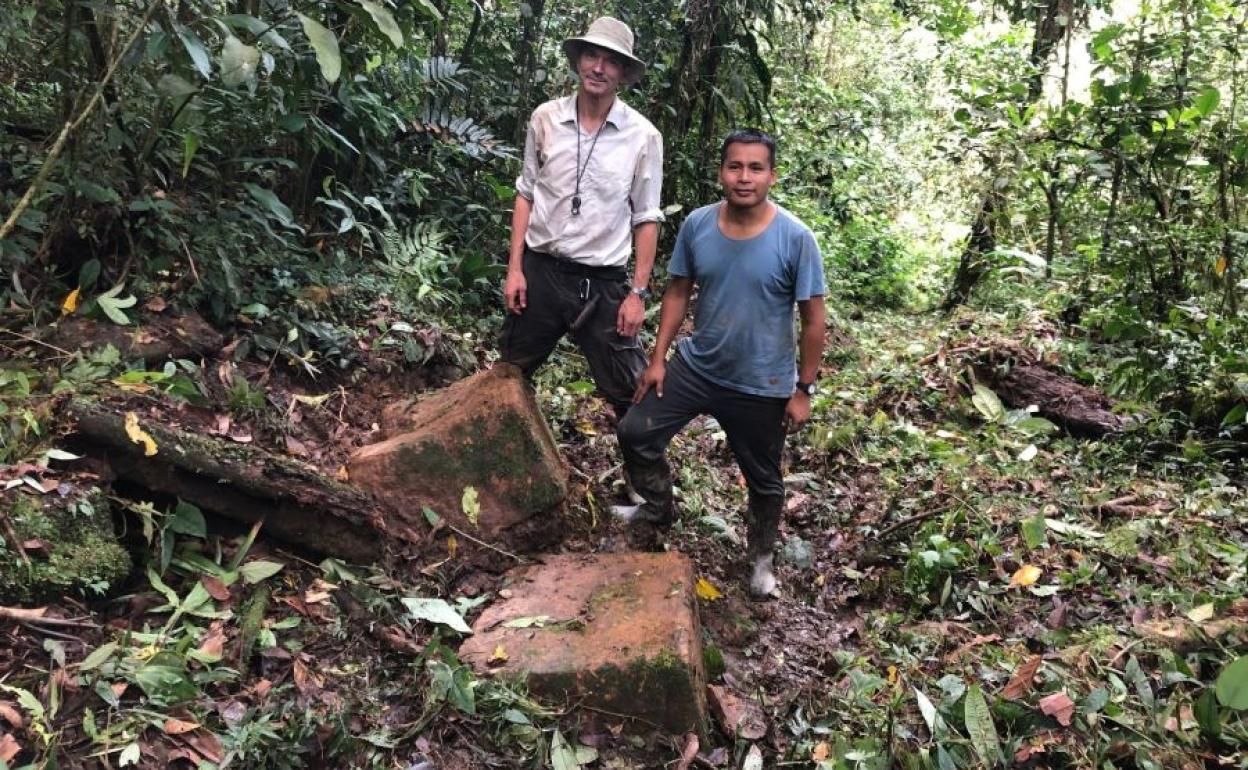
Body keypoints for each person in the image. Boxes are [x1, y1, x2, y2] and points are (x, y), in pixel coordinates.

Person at [614, 129, 827, 599]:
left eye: (755, 168)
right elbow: (677, 291)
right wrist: (658, 359)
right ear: (721, 172)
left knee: (764, 479)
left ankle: (762, 559)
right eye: (735, 166)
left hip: (762, 382)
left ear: (771, 175)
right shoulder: (698, 225)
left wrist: (803, 389)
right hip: (698, 367)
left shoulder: (796, 239)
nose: (744, 177)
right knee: (635, 431)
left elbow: (814, 320)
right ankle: (656, 507)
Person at [500, 17, 664, 419]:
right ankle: (488, 470)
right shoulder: (545, 119)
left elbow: (646, 218)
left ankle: (646, 482)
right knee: (507, 375)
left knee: (632, 395)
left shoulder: (642, 136)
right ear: (578, 61)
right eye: (592, 55)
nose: (598, 67)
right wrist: (515, 269)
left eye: (611, 61)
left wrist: (637, 295)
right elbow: (526, 193)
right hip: (541, 273)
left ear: (623, 72)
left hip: (602, 283)